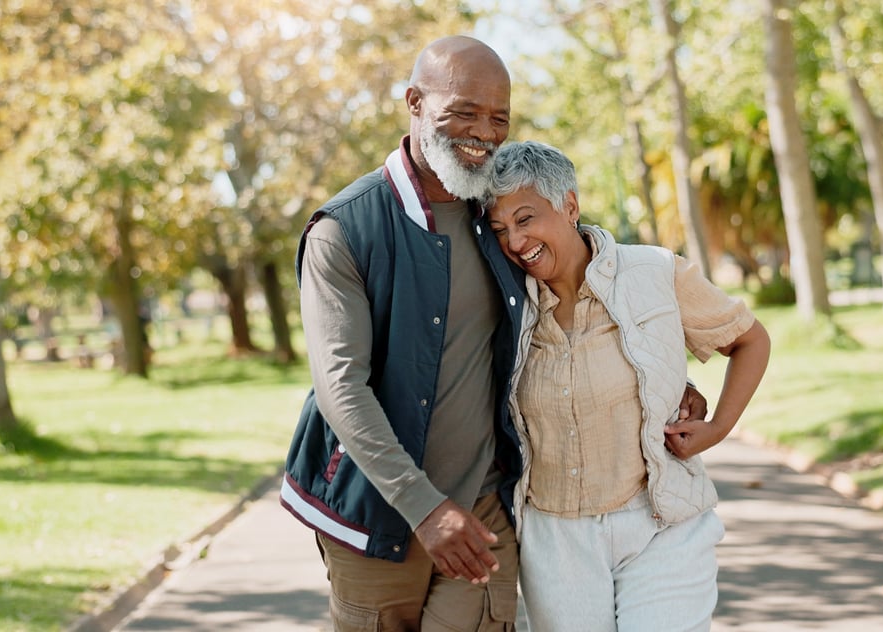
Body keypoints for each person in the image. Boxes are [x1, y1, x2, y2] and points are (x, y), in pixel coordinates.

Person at [281, 36, 707, 630]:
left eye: (498, 118)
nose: (483, 133)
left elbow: (580, 288)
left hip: (486, 506)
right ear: (414, 102)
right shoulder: (344, 230)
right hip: (376, 510)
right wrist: (425, 510)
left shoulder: (501, 217)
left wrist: (660, 379)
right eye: (464, 112)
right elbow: (341, 388)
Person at [484, 141, 771, 632]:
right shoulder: (505, 302)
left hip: (660, 523)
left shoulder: (654, 272)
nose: (514, 240)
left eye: (526, 218)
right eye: (500, 229)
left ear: (569, 206)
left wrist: (719, 426)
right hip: (556, 538)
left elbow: (749, 340)